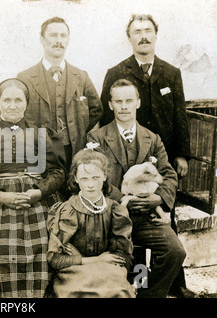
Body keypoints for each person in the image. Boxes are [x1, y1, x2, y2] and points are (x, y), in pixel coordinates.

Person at [99, 14, 194, 298]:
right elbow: (107, 117)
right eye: (137, 32)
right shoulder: (117, 72)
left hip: (156, 154)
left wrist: (182, 155)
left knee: (166, 220)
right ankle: (139, 287)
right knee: (135, 239)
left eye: (148, 31)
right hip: (124, 157)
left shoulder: (171, 71)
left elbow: (180, 115)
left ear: (155, 35)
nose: (143, 36)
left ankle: (175, 285)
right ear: (129, 38)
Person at [88, 79, 186, 298]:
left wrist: (158, 198)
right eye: (118, 101)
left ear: (138, 103)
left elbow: (169, 175)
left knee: (175, 251)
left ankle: (149, 295)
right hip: (108, 217)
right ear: (110, 104)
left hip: (145, 217)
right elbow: (94, 178)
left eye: (129, 101)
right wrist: (125, 198)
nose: (124, 106)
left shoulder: (152, 139)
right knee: (114, 262)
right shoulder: (96, 139)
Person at [0, 78, 66, 298]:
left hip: (37, 201)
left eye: (18, 100)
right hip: (1, 207)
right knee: (0, 255)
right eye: (7, 100)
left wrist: (39, 192)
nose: (12, 105)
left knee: (42, 255)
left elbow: (58, 172)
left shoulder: (42, 134)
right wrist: (1, 196)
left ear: (26, 103)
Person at [17, 16, 103, 181]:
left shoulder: (81, 76)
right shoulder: (25, 77)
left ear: (68, 40)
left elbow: (96, 109)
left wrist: (78, 128)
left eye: (63, 36)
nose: (59, 41)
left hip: (74, 150)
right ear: (42, 40)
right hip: (40, 153)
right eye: (53, 35)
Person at [47, 148, 135, 298]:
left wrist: (102, 262)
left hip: (107, 269)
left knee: (118, 290)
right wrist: (96, 259)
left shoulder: (115, 210)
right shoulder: (66, 210)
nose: (90, 185)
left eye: (95, 178)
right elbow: (56, 260)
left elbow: (122, 256)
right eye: (84, 179)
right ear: (75, 178)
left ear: (105, 176)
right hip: (73, 271)